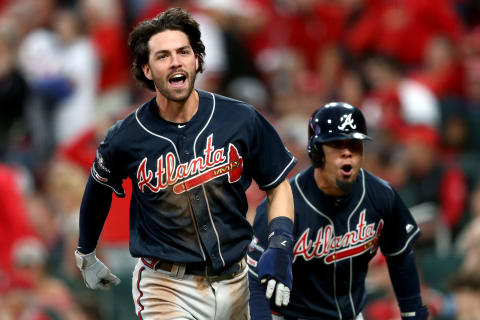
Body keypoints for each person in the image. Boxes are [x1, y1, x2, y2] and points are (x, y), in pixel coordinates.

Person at [74, 7, 297, 320]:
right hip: (167, 286)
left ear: (197, 60)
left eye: (183, 51)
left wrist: (281, 244)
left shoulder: (240, 118)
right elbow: (97, 189)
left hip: (239, 277)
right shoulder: (126, 136)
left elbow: (278, 185)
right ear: (147, 70)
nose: (176, 61)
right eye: (163, 55)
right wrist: (86, 251)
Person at [248, 102, 429, 320]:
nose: (347, 154)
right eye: (337, 145)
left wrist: (412, 312)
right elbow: (253, 281)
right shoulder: (283, 204)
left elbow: (400, 257)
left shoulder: (381, 195)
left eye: (354, 145)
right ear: (316, 152)